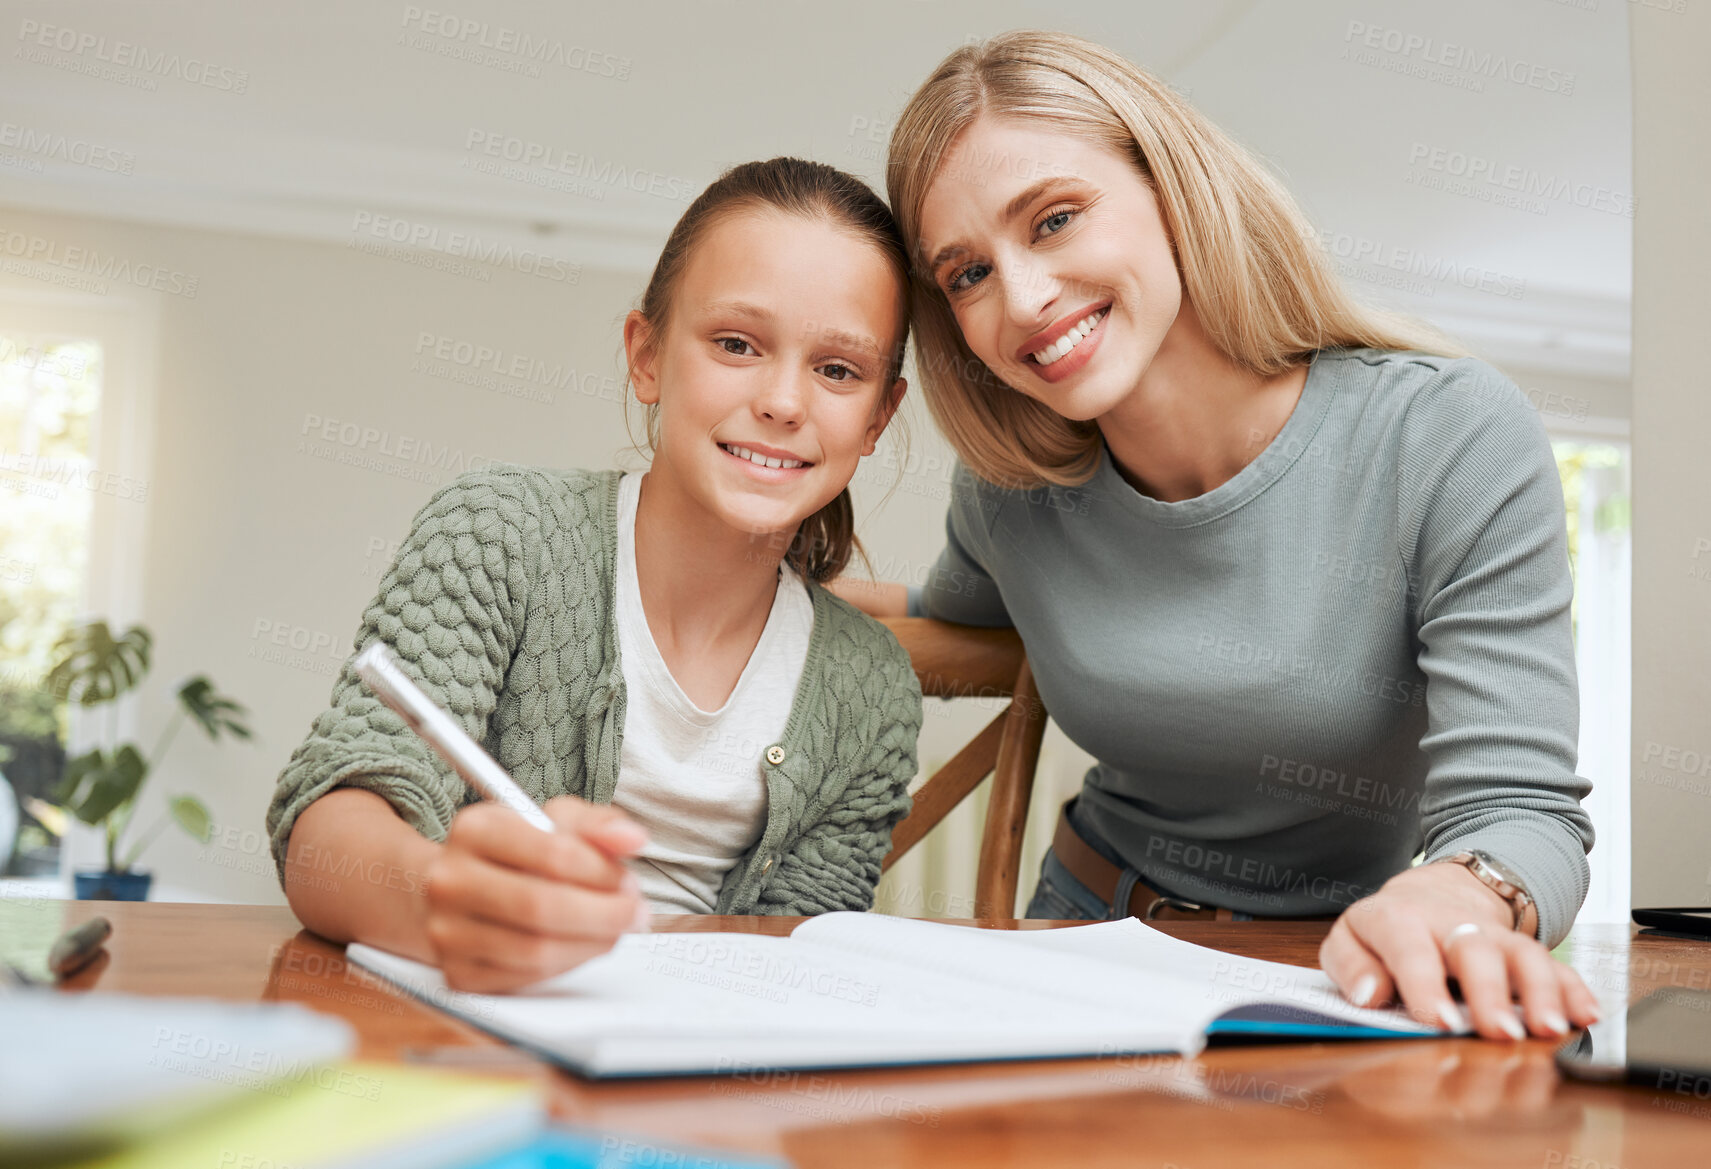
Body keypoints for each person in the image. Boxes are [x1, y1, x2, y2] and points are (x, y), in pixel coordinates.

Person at [836, 31, 1600, 1042]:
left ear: (1172, 185)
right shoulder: (1012, 490)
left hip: (1337, 977)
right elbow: (945, 621)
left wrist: (1456, 895)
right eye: (968, 272)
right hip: (1075, 939)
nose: (1020, 298)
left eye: (1055, 219)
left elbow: (1524, 808)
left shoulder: (1444, 434)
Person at [268, 158, 921, 993]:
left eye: (837, 369)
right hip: (464, 1048)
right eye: (735, 343)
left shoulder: (871, 687)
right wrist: (441, 902)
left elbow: (797, 948)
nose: (784, 401)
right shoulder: (502, 533)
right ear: (645, 357)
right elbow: (327, 829)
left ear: (878, 416)